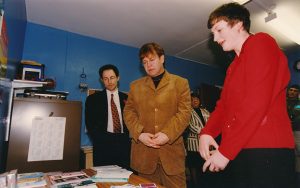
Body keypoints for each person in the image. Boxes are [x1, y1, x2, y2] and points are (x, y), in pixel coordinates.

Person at [198, 3, 295, 188]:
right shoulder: (234, 66)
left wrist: (226, 151)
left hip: (267, 149)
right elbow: (223, 106)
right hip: (241, 148)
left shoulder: (261, 42)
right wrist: (207, 132)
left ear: (238, 24)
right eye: (213, 34)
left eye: (219, 30)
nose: (216, 38)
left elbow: (255, 103)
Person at [123, 42, 191, 188]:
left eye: (152, 60)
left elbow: (184, 113)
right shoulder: (135, 86)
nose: (148, 65)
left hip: (172, 156)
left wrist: (167, 134)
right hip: (144, 156)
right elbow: (128, 112)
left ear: (162, 59)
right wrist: (139, 134)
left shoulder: (181, 83)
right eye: (144, 62)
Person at [85, 64, 130, 169]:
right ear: (101, 80)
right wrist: (104, 141)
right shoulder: (93, 99)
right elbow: (90, 125)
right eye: (105, 79)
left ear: (118, 78)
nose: (109, 81)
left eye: (112, 77)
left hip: (125, 146)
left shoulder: (128, 99)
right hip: (103, 147)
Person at [186, 93, 210, 187]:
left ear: (199, 101)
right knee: (194, 165)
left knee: (205, 164)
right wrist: (204, 131)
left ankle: (206, 183)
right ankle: (195, 185)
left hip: (206, 144)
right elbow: (191, 126)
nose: (194, 101)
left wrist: (209, 131)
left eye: (196, 99)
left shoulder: (206, 111)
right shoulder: (188, 112)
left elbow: (211, 122)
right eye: (192, 99)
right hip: (194, 143)